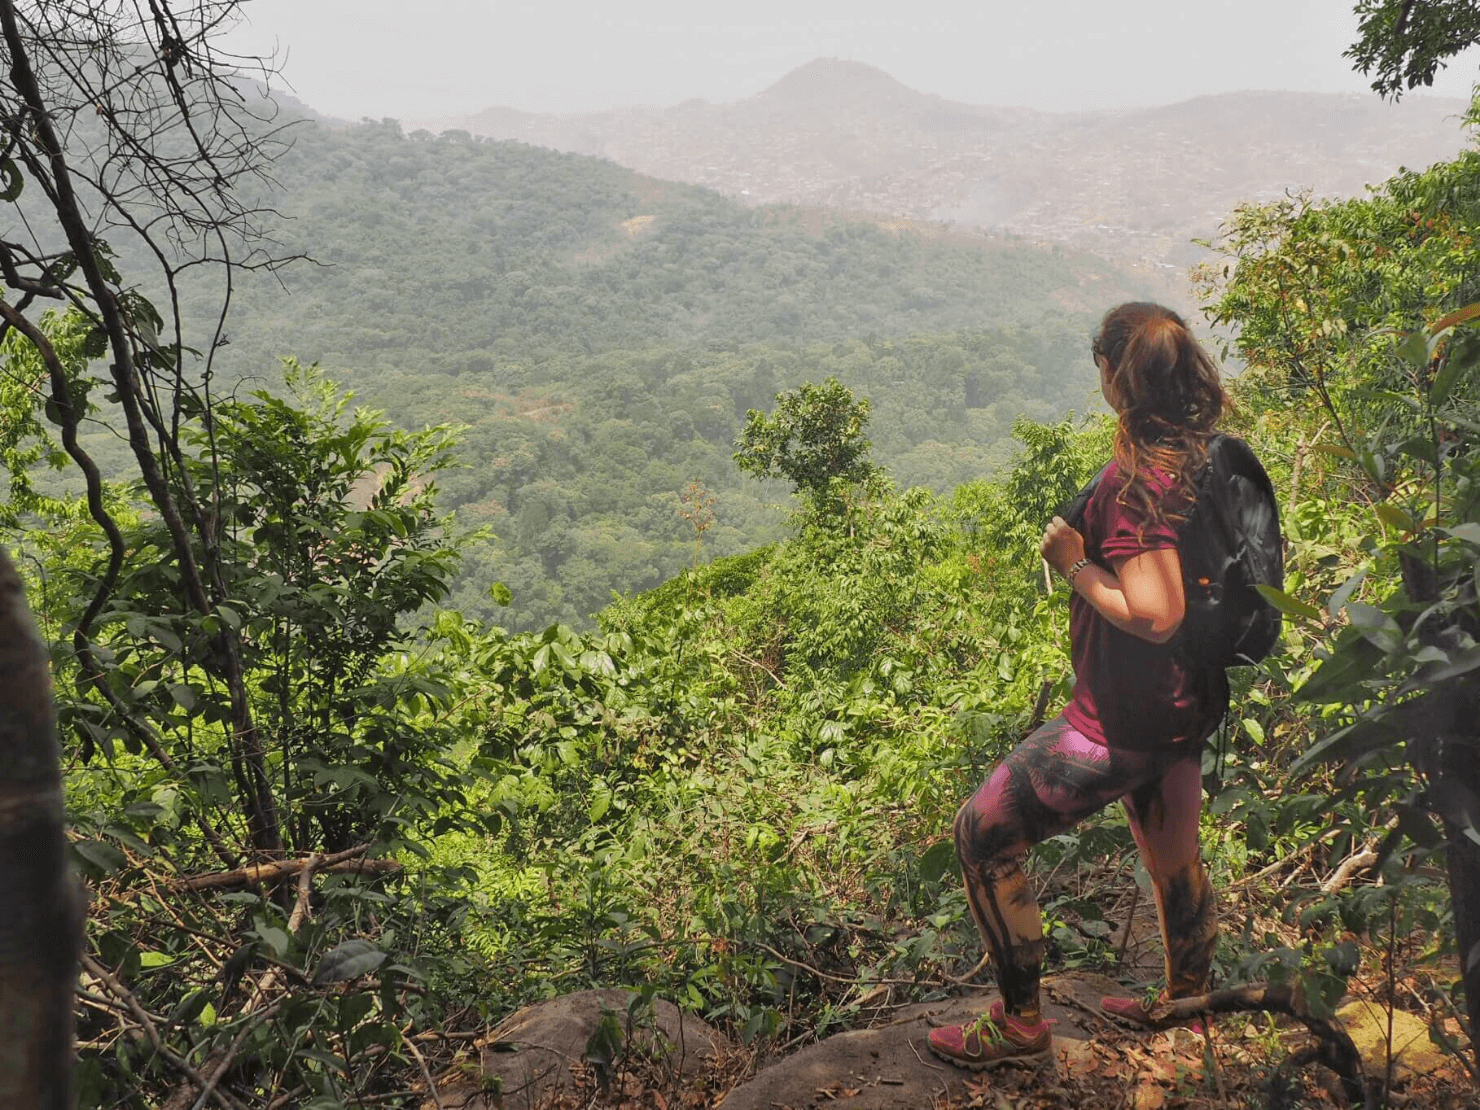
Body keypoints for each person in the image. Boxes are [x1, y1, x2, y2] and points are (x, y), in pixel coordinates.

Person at [928, 302, 1232, 1071]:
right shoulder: (1200, 451)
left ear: (1111, 374)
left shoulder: (1140, 484)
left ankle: (1021, 1024)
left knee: (980, 831)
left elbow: (1157, 612)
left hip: (1120, 720)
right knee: (1173, 857)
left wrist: (1074, 563)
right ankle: (1190, 1011)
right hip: (1183, 704)